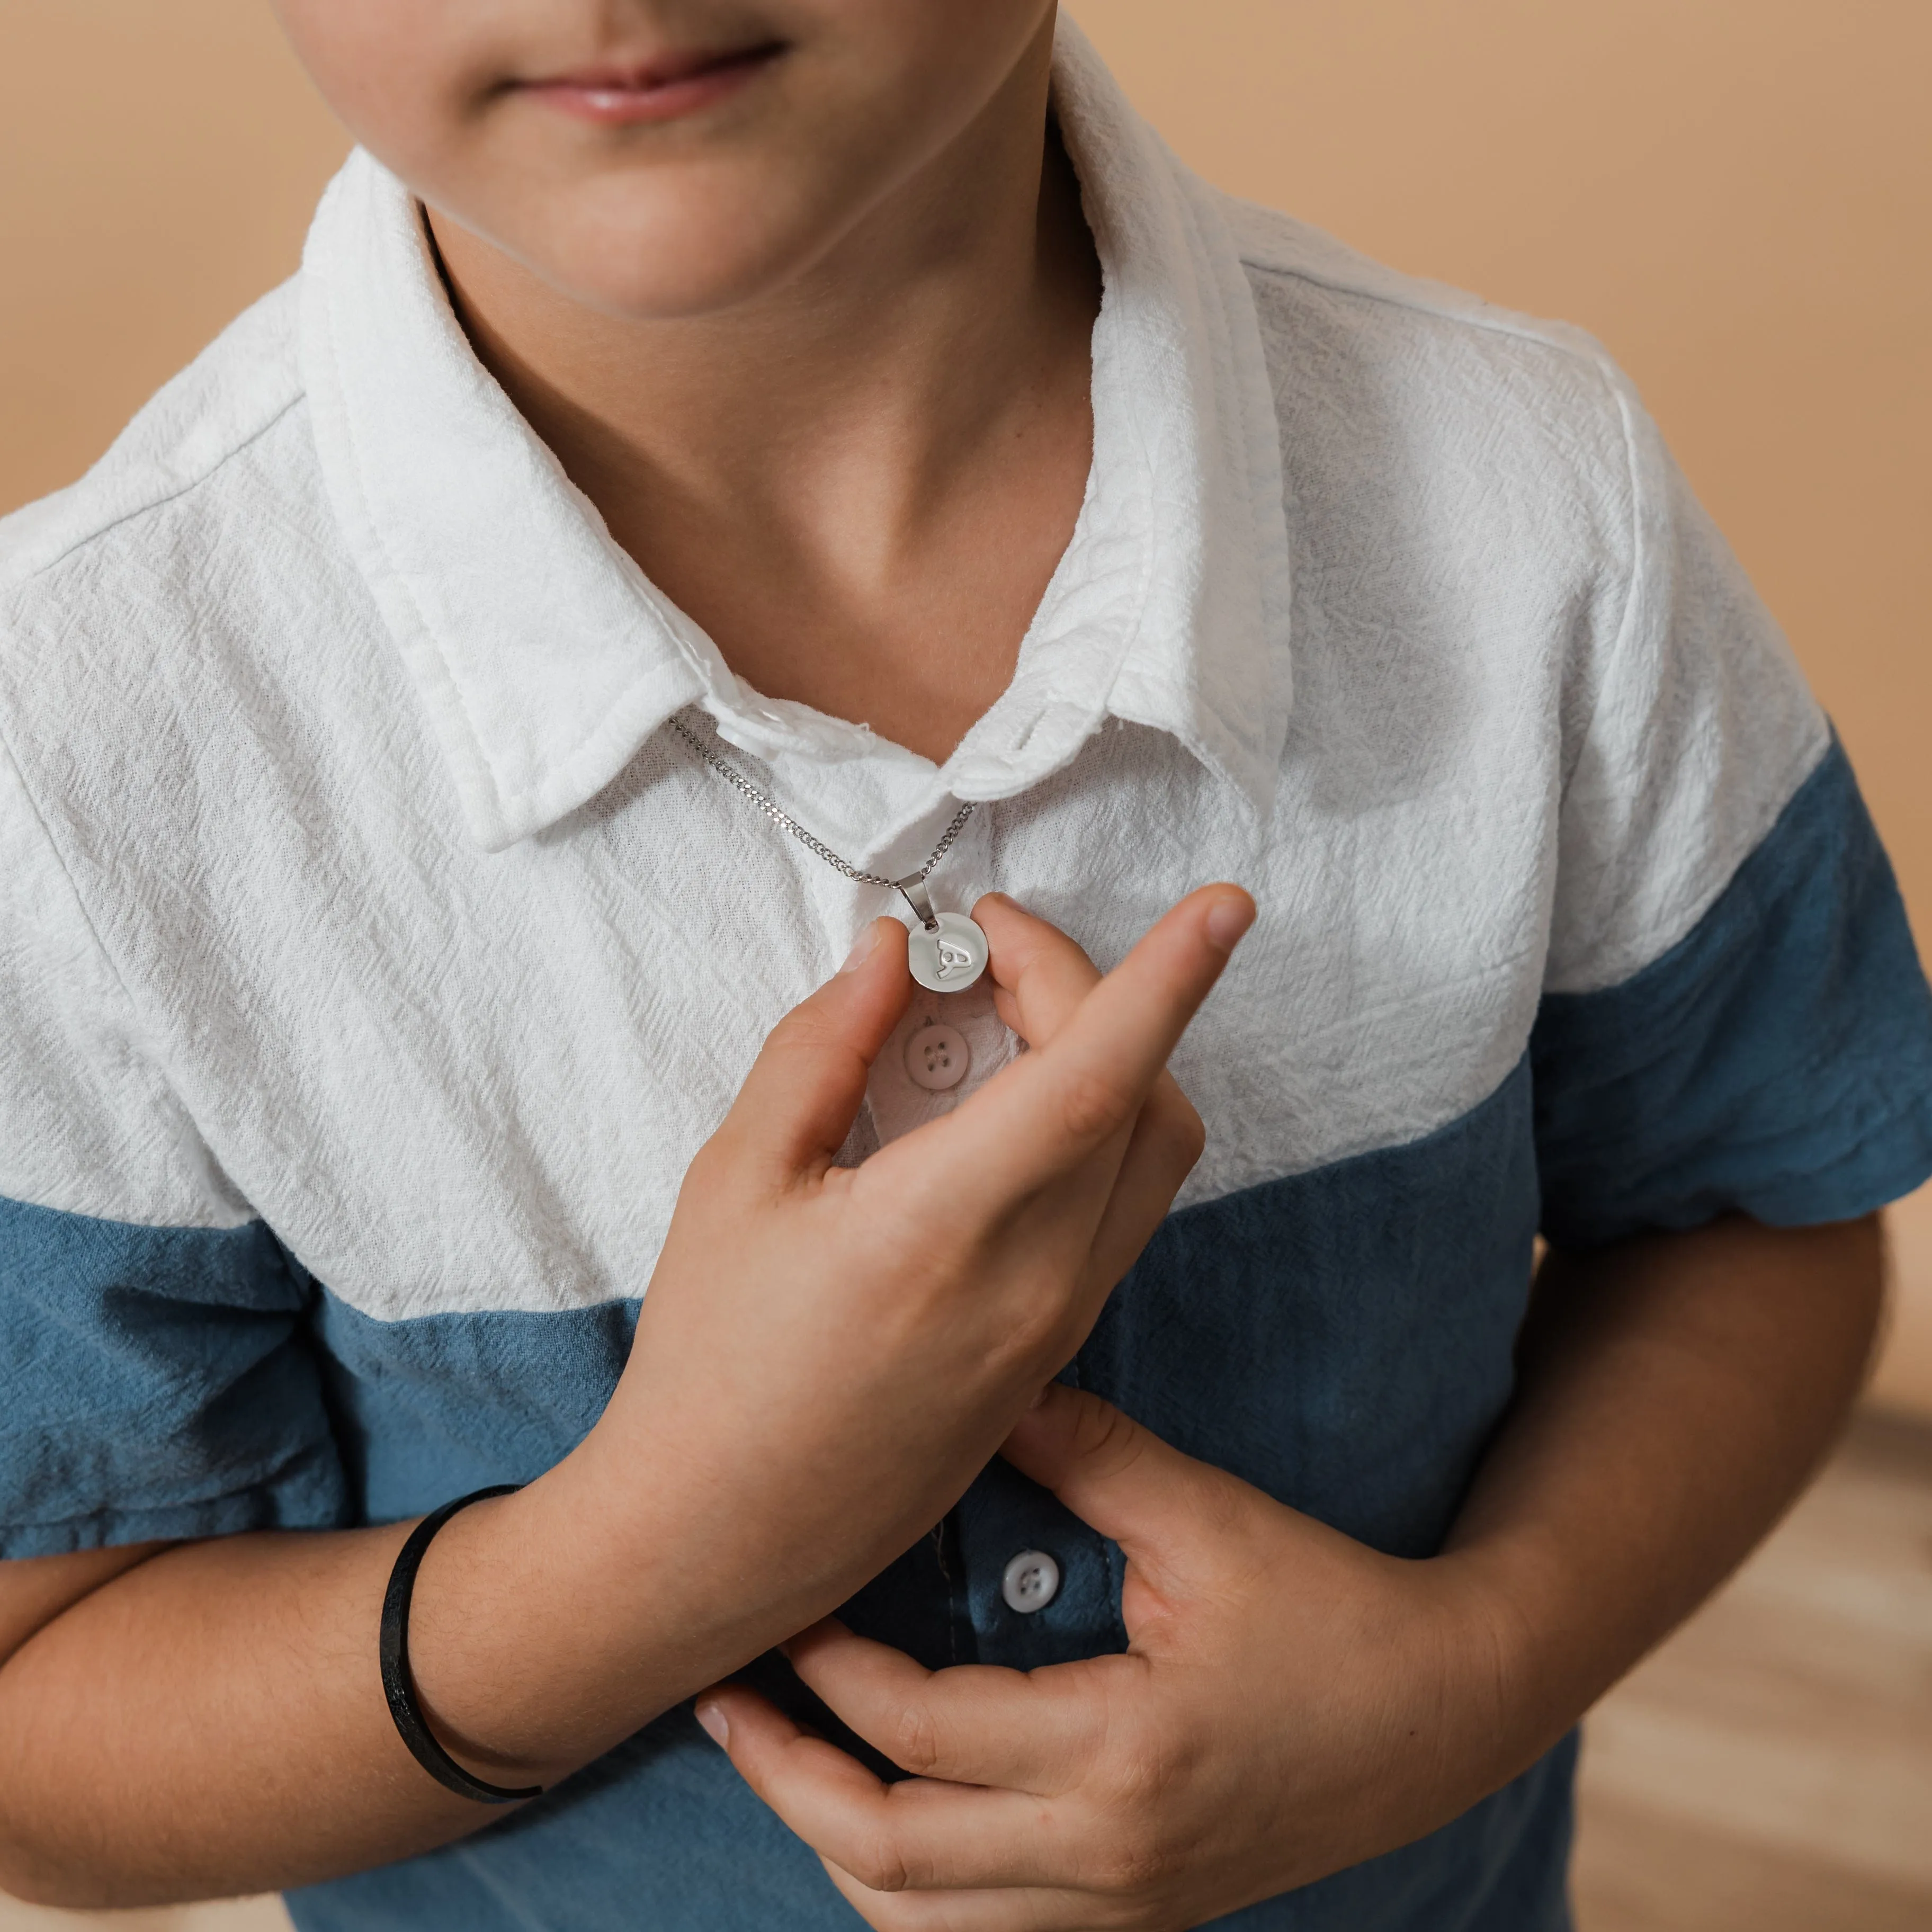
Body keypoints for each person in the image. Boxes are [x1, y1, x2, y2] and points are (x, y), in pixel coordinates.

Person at [1, 2, 1927, 1927]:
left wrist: (1470, 1680)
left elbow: (1751, 1220)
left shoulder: (1528, 493)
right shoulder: (76, 746)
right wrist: (647, 1555)